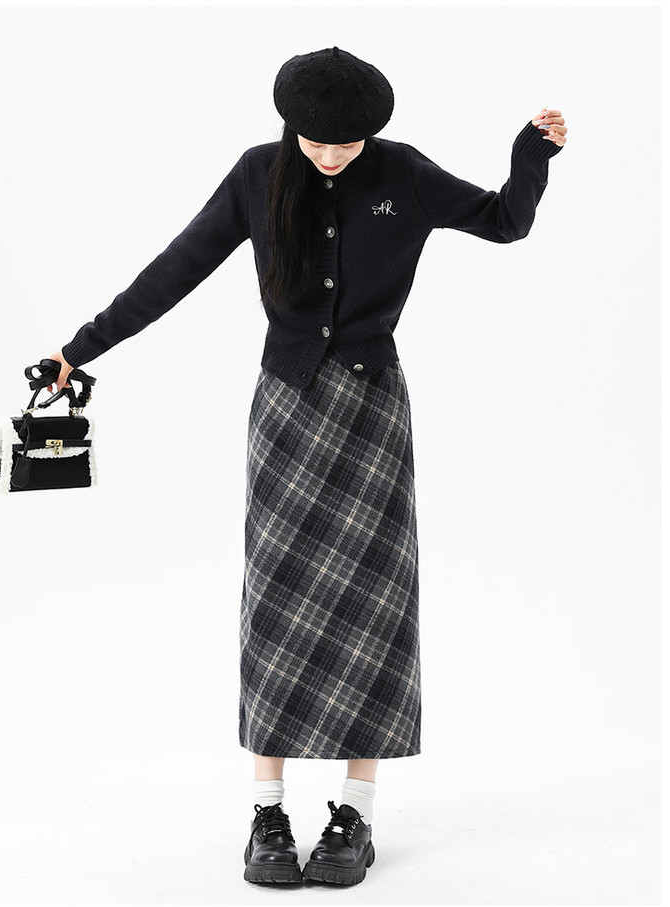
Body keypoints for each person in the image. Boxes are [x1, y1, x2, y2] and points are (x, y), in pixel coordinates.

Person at [47, 46, 567, 887]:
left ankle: (355, 813)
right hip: (286, 408)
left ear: (373, 133)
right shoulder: (258, 174)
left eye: (347, 143)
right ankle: (267, 812)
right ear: (290, 126)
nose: (329, 154)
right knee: (276, 598)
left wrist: (530, 156)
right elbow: (176, 268)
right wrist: (79, 349)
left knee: (375, 601)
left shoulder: (405, 172)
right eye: (316, 140)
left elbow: (506, 220)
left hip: (372, 409)